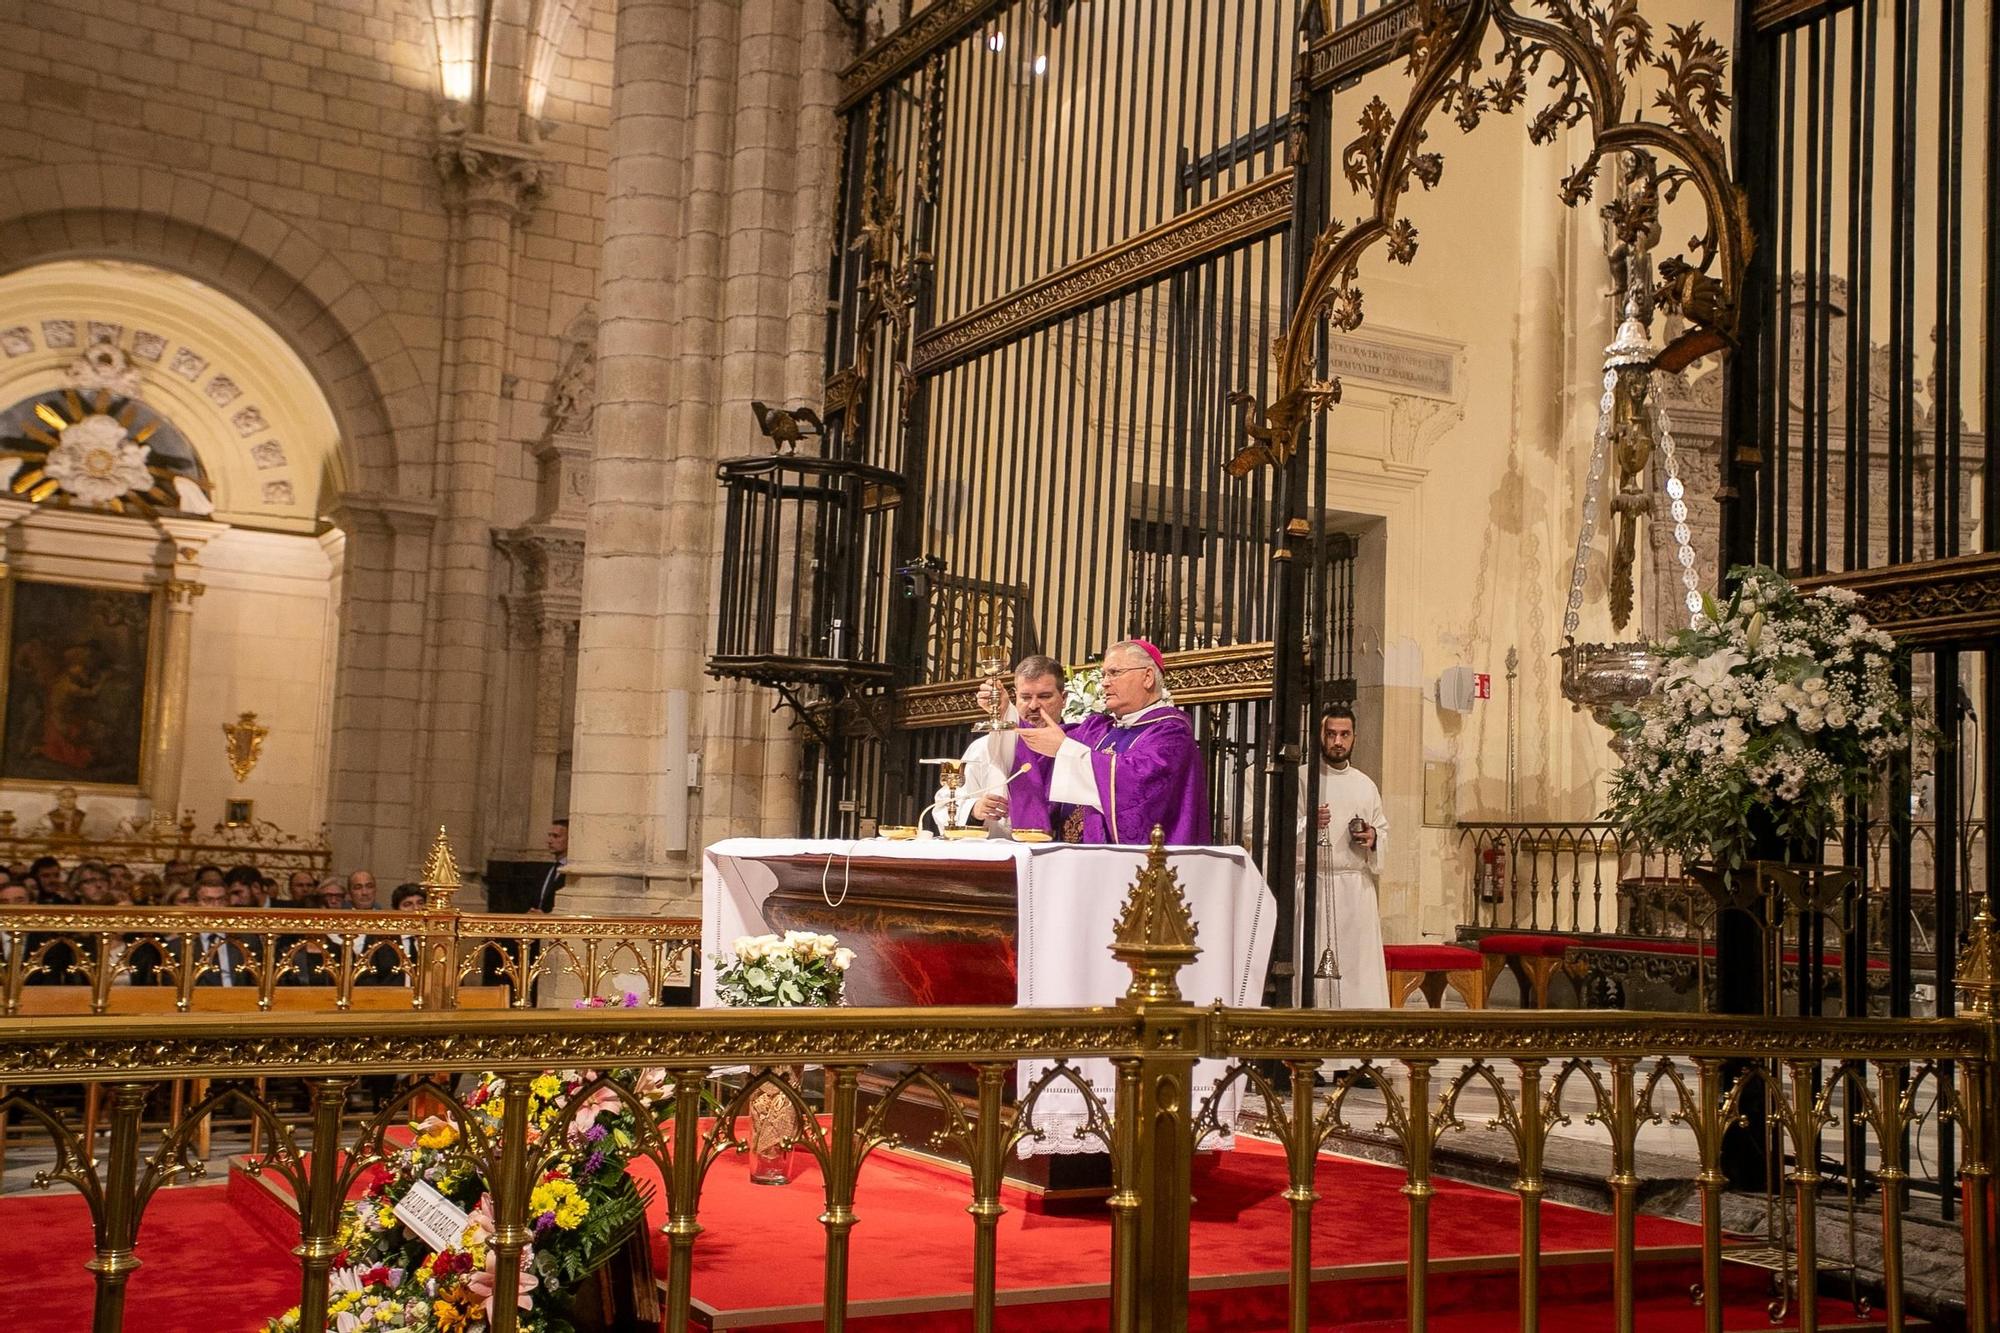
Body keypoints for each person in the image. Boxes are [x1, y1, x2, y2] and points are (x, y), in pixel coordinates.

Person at [1016, 638, 1209, 844]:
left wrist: (1065, 750)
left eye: (1114, 673)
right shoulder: (1099, 729)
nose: (1105, 682)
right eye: (1104, 675)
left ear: (1148, 677)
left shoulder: (1170, 733)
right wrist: (1005, 715)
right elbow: (1039, 745)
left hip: (1136, 866)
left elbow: (1138, 783)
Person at [1299, 704, 1389, 1010]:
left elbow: (1384, 832)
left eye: (1344, 734)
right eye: (1331, 734)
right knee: (1311, 965)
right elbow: (1271, 834)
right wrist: (1308, 823)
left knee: (1356, 968)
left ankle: (1357, 1040)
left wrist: (1374, 838)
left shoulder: (1366, 785)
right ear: (1320, 736)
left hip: (1355, 890)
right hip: (1313, 886)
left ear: (1354, 737)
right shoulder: (1301, 779)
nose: (1338, 741)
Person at [934, 656, 1068, 834]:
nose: (1034, 705)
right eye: (1025, 697)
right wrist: (975, 809)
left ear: (1064, 698)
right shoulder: (985, 748)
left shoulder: (1077, 746)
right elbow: (945, 805)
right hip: (1005, 854)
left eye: (1044, 696)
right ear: (1016, 697)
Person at [530, 820, 567, 913]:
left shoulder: (572, 872)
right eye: (549, 836)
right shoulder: (546, 870)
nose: (550, 841)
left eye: (556, 836)